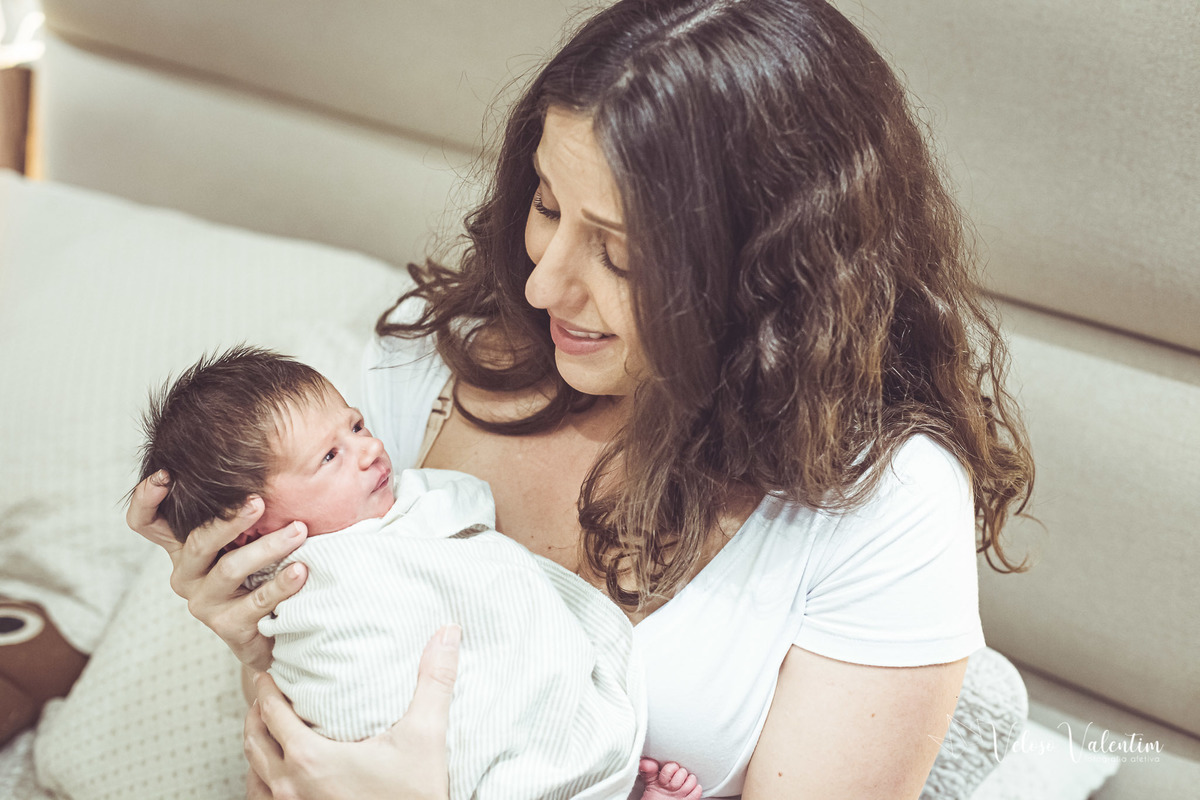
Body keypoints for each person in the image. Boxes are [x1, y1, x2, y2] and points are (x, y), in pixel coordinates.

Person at [128, 0, 1034, 797]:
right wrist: (262, 639)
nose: (540, 287)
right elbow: (313, 738)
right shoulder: (425, 371)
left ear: (772, 278)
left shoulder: (884, 504)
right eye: (549, 208)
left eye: (623, 255)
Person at [133, 345, 698, 800]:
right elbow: (334, 698)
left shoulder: (402, 512)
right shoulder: (301, 586)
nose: (370, 448)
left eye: (354, 425)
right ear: (253, 530)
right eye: (328, 457)